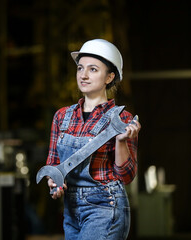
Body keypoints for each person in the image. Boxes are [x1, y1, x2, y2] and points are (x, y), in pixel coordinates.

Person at [45, 39, 141, 239]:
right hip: (71, 209)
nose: (84, 75)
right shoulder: (61, 117)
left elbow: (126, 176)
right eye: (80, 68)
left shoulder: (122, 119)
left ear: (110, 77)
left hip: (106, 205)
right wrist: (54, 182)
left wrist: (121, 141)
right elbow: (54, 164)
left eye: (93, 69)